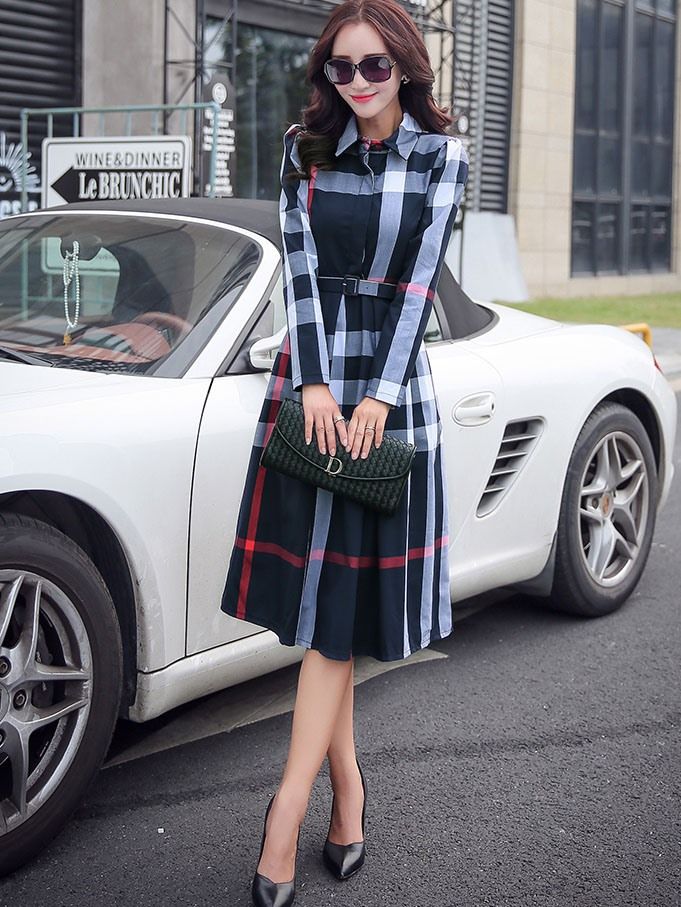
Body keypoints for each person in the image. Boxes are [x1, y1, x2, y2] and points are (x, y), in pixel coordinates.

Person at [219, 1, 469, 904]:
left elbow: (413, 287)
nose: (356, 83)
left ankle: (292, 805)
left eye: (373, 67)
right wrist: (317, 382)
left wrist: (379, 395)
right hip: (314, 384)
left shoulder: (441, 157)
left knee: (340, 604)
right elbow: (296, 266)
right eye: (340, 67)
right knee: (329, 604)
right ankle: (339, 794)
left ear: (405, 67)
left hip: (392, 394)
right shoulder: (305, 149)